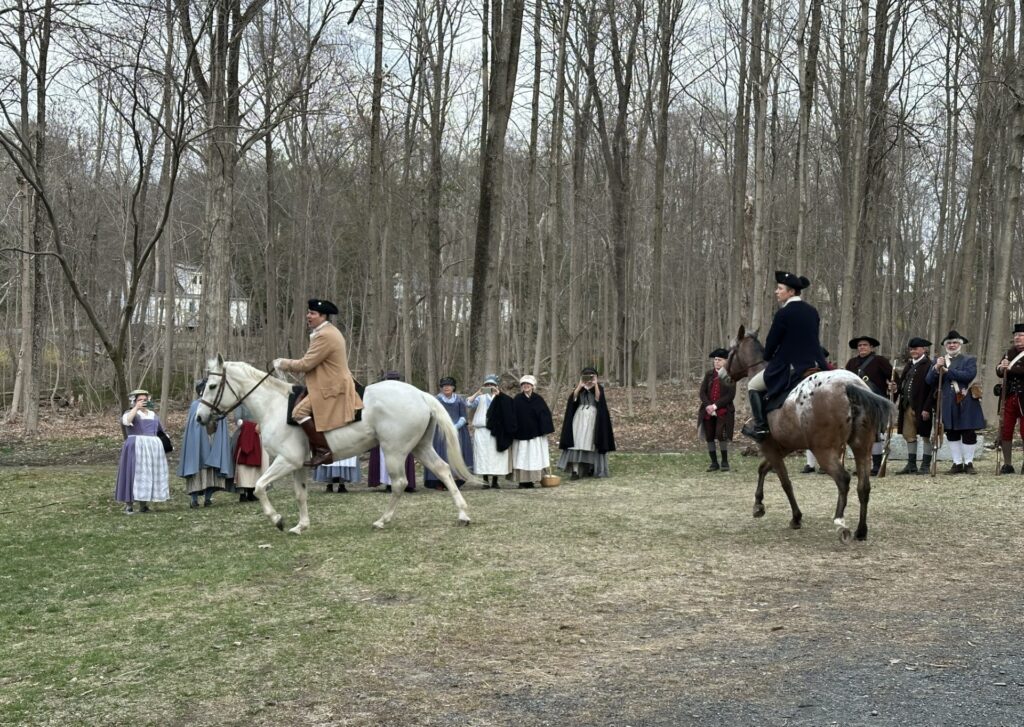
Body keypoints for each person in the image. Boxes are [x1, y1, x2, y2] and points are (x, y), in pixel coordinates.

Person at [272, 298, 363, 468]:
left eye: (312, 313)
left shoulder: (325, 335)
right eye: (309, 312)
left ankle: (324, 451)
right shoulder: (328, 332)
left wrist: (283, 363)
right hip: (327, 382)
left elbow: (306, 364)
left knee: (298, 412)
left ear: (322, 316)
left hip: (331, 386)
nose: (308, 316)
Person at [743, 271, 828, 441]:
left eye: (780, 288)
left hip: (789, 365)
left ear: (791, 292)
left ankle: (760, 427)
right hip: (815, 362)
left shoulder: (783, 313)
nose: (776, 291)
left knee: (752, 385)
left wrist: (768, 355)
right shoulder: (812, 312)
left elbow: (773, 341)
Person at [926, 330, 986, 474]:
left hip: (966, 400)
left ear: (960, 344)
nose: (952, 345)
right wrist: (936, 368)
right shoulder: (938, 361)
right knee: (951, 432)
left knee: (968, 432)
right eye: (949, 343)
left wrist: (947, 371)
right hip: (947, 401)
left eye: (955, 343)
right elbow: (929, 380)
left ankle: (969, 463)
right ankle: (957, 463)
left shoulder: (969, 360)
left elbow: (968, 376)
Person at [179, 379, 234, 508]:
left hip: (213, 440)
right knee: (197, 470)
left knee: (212, 471)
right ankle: (194, 500)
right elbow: (194, 427)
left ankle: (208, 498)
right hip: (198, 443)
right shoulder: (195, 405)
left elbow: (221, 423)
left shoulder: (217, 406)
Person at [114, 389, 170, 514]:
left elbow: (161, 431)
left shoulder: (153, 415)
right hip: (136, 446)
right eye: (140, 400)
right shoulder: (130, 413)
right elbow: (126, 421)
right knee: (133, 473)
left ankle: (143, 504)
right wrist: (136, 408)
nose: (143, 402)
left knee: (148, 474)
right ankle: (129, 505)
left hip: (152, 449)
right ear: (134, 401)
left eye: (145, 400)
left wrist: (165, 442)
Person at [845, 336, 894, 475]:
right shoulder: (852, 363)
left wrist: (892, 385)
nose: (862, 347)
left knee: (875, 434)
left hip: (874, 403)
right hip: (855, 403)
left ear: (871, 347)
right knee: (857, 435)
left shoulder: (880, 361)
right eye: (859, 345)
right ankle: (861, 465)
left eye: (865, 345)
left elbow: (893, 377)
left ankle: (877, 466)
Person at [887, 337, 936, 475]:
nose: (913, 351)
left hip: (923, 406)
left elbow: (933, 389)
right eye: (911, 349)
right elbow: (903, 384)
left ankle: (925, 465)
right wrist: (895, 388)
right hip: (907, 405)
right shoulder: (909, 365)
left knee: (926, 435)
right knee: (909, 435)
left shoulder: (930, 365)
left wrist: (927, 408)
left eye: (916, 348)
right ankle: (911, 465)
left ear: (924, 349)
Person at [558, 366, 616, 480]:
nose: (588, 379)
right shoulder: (580, 388)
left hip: (593, 417)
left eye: (591, 376)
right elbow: (573, 399)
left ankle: (592, 468)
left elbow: (599, 399)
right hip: (579, 417)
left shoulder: (599, 388)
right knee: (577, 442)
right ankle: (575, 471)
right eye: (586, 376)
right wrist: (580, 385)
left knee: (591, 442)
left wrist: (595, 384)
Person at [367, 372, 416, 493]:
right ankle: (389, 484)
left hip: (401, 429)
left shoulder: (406, 394)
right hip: (385, 429)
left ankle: (405, 483)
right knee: (385, 457)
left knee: (402, 456)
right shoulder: (379, 395)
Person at [424, 376, 474, 490]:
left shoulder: (459, 400)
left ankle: (457, 480)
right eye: (444, 386)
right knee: (441, 455)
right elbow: (433, 415)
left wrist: (454, 427)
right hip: (440, 431)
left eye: (449, 386)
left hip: (458, 431)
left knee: (457, 454)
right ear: (441, 388)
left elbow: (463, 416)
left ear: (453, 387)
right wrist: (444, 426)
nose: (446, 388)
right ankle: (440, 481)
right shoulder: (437, 400)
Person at [510, 374, 554, 488]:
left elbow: (545, 414)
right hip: (521, 434)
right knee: (522, 457)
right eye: (524, 384)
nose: (526, 386)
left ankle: (533, 480)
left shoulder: (538, 399)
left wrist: (544, 428)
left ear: (532, 386)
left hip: (535, 434)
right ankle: (523, 481)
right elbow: (512, 415)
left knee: (534, 457)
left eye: (528, 384)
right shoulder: (517, 399)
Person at [468, 373, 512, 488]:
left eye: (492, 385)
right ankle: (485, 481)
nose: (490, 386)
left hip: (496, 430)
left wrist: (499, 395)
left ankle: (495, 481)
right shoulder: (480, 397)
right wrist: (478, 392)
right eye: (487, 384)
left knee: (496, 455)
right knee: (483, 456)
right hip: (482, 430)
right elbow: (468, 403)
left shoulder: (501, 397)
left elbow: (508, 407)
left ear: (496, 386)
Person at [697, 352, 734, 472]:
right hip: (708, 410)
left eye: (719, 360)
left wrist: (715, 406)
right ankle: (714, 463)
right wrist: (708, 405)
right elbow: (702, 392)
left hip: (723, 410)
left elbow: (730, 395)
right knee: (709, 436)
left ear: (725, 362)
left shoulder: (730, 375)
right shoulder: (709, 374)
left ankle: (724, 461)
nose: (716, 361)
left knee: (720, 434)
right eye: (715, 360)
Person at [995, 323, 1024, 474]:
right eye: (1016, 335)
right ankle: (1008, 464)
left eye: (1021, 335)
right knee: (1005, 430)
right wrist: (1000, 368)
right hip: (1009, 397)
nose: (1017, 338)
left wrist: (1010, 368)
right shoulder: (1009, 352)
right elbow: (999, 371)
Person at [802, 347, 836, 473]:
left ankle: (824, 464)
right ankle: (809, 464)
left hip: (826, 406)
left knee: (825, 437)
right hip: (808, 405)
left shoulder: (831, 370)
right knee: (809, 436)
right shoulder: (804, 370)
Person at [233, 404, 266, 502]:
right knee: (242, 467)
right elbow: (238, 420)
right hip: (243, 435)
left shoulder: (256, 401)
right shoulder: (240, 404)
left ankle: (251, 492)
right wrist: (248, 425)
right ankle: (242, 494)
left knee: (254, 466)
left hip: (257, 435)